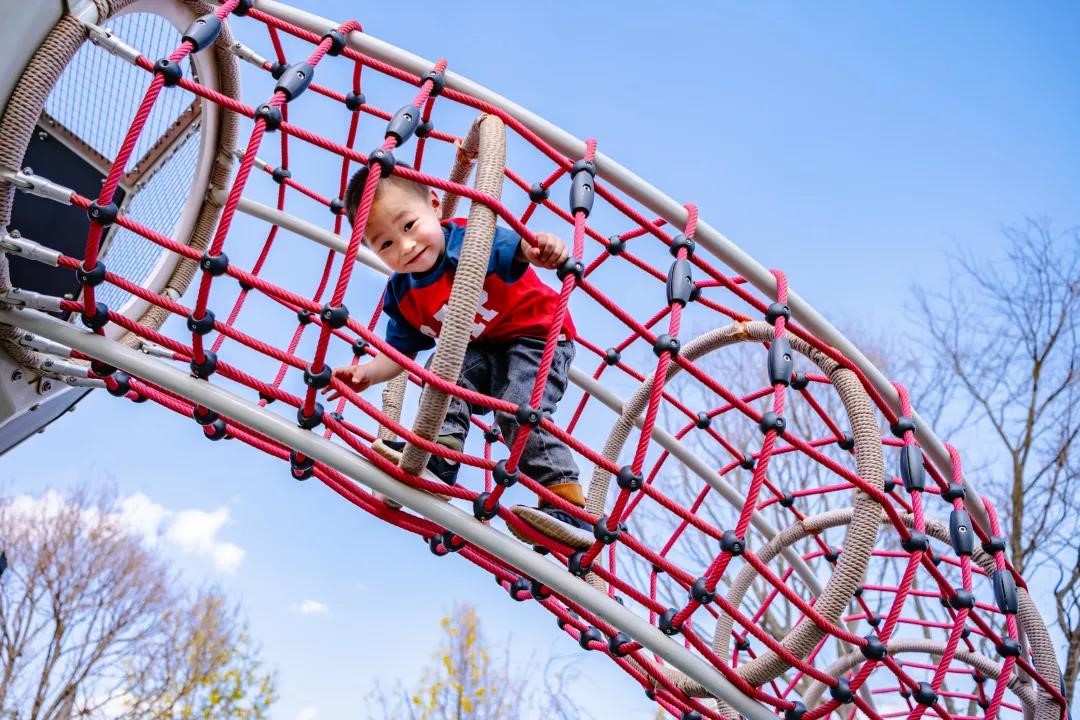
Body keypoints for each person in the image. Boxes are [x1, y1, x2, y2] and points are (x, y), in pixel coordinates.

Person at [323, 166, 587, 529]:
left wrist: (537, 249)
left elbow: (518, 248)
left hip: (538, 337)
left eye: (409, 225)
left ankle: (566, 501)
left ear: (434, 205)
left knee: (517, 410)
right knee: (443, 368)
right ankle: (441, 455)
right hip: (485, 350)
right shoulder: (403, 294)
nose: (406, 246)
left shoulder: (470, 239)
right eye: (386, 244)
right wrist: (368, 373)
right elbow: (399, 353)